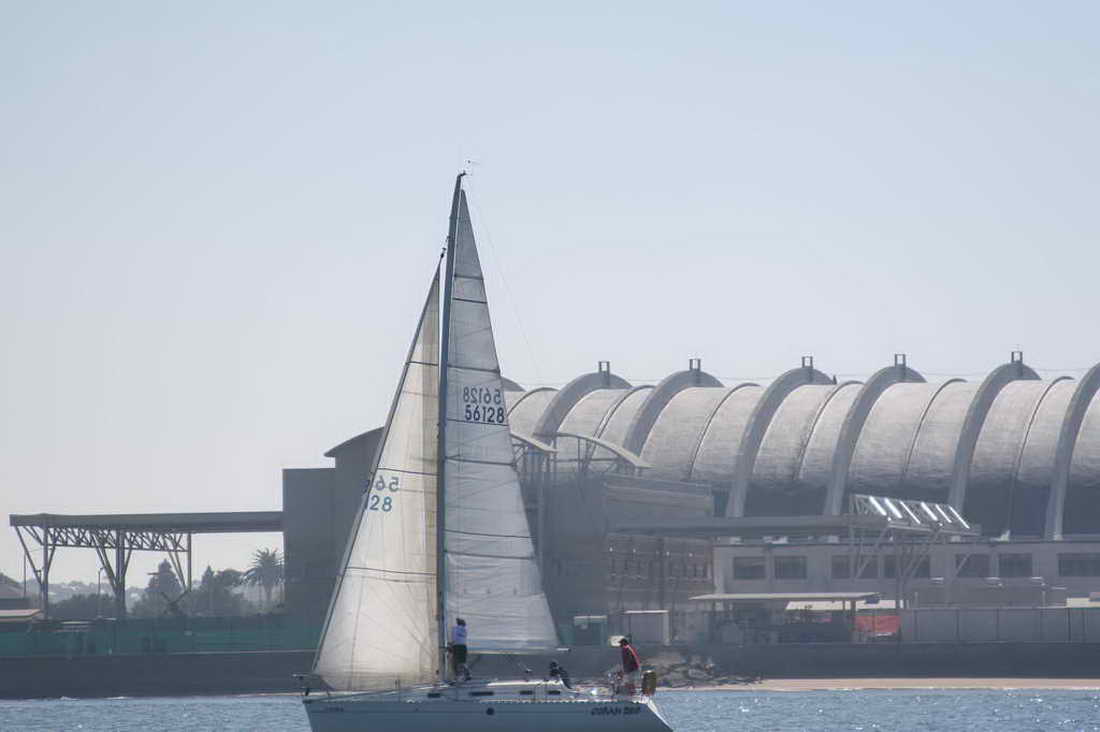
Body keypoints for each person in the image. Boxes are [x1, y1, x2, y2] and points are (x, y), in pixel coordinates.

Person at [449, 617, 470, 681]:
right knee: (462, 662)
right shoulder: (465, 629)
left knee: (455, 662)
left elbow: (454, 638)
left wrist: (450, 644)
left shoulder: (454, 629)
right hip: (463, 646)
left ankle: (458, 675)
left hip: (456, 646)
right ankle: (467, 674)